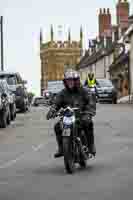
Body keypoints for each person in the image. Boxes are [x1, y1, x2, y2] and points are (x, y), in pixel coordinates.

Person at [46, 69, 96, 158]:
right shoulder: (63, 93)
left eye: (72, 80)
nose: (70, 82)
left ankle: (90, 146)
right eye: (68, 80)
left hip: (81, 116)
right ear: (65, 82)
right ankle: (61, 148)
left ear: (76, 80)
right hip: (68, 117)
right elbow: (56, 103)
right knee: (57, 126)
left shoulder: (84, 91)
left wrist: (88, 113)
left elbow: (91, 102)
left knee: (88, 123)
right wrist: (52, 110)